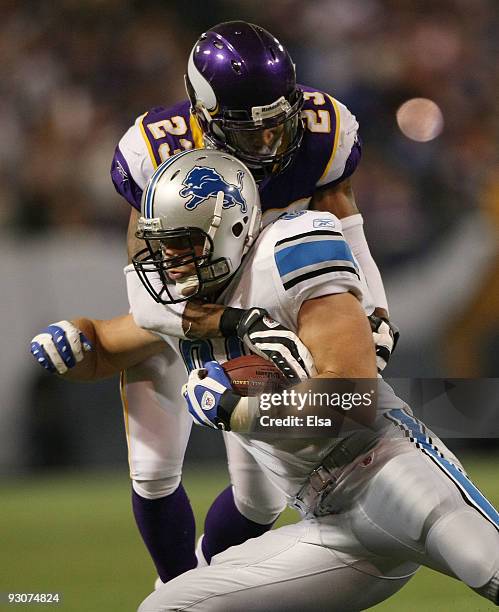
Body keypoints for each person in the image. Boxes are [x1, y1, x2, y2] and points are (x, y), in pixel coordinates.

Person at [32, 150, 498, 610]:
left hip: (389, 470)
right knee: (165, 608)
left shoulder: (286, 257)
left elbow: (353, 399)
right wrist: (74, 342)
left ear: (231, 231)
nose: (169, 260)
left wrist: (243, 411)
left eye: (183, 243)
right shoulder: (182, 308)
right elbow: (107, 346)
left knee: (488, 568)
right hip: (329, 524)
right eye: (163, 244)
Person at [43, 19, 399, 584]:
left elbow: (347, 233)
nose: (265, 142)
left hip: (261, 318)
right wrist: (229, 319)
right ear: (202, 114)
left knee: (260, 502)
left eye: (274, 124)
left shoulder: (323, 129)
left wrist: (373, 311)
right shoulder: (155, 147)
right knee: (154, 470)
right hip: (186, 310)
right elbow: (147, 286)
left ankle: (202, 579)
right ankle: (174, 587)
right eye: (245, 128)